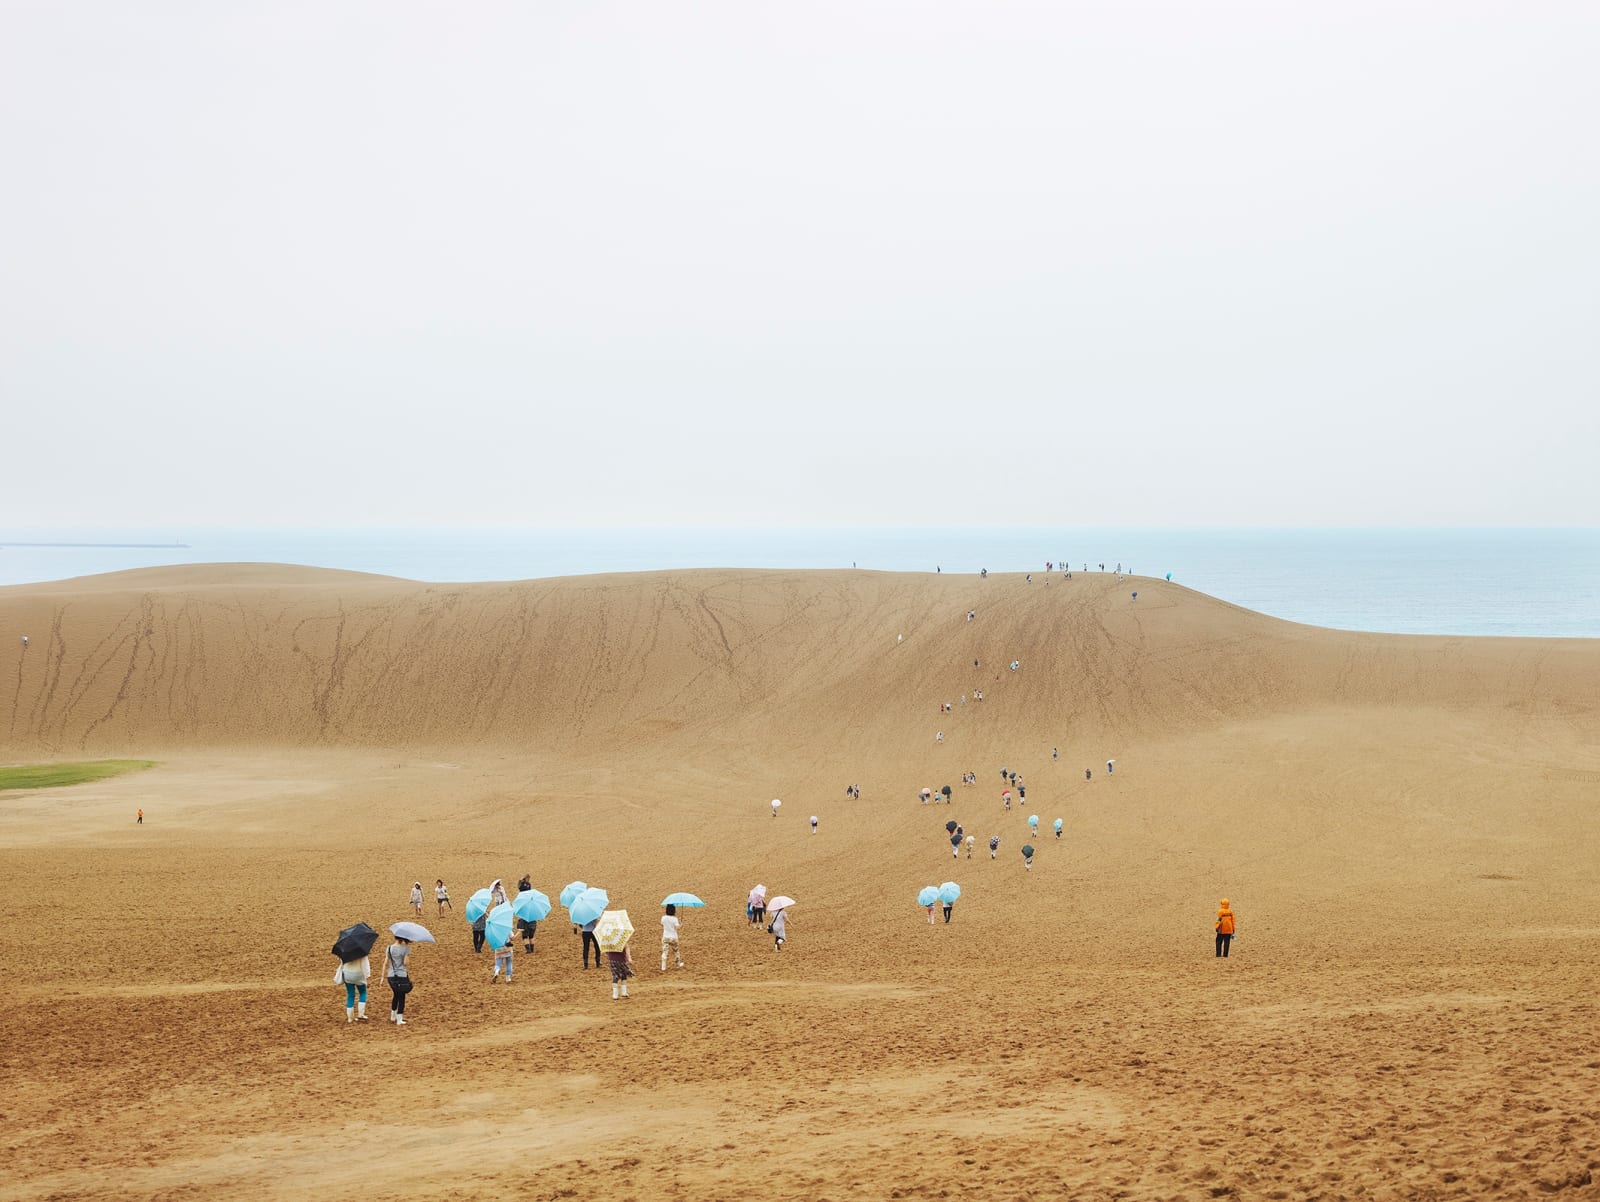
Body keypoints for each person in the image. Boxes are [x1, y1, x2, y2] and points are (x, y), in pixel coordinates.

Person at [334, 951, 370, 1023]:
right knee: (363, 993)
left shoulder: (344, 951)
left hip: (347, 974)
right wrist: (368, 977)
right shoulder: (362, 951)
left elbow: (342, 962)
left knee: (350, 995)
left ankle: (350, 1018)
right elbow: (365, 965)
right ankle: (361, 1014)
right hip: (359, 975)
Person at [384, 935, 413, 1025]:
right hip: (401, 975)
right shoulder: (405, 949)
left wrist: (382, 977)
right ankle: (399, 1019)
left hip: (391, 976)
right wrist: (407, 953)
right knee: (401, 997)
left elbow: (385, 963)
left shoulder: (389, 948)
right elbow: (405, 963)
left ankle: (393, 1016)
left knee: (396, 995)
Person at [661, 903, 684, 970]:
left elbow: (662, 924)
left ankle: (663, 967)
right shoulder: (675, 919)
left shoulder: (663, 918)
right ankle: (678, 964)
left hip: (665, 937)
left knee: (665, 952)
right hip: (674, 937)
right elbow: (677, 928)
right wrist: (681, 925)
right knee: (676, 951)